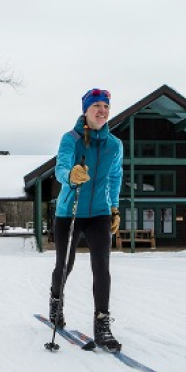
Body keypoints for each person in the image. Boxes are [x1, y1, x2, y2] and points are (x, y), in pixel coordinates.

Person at [49, 88, 123, 352]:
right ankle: (56, 304)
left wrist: (114, 208)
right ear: (86, 110)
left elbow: (115, 178)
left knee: (101, 267)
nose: (102, 111)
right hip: (70, 211)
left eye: (106, 106)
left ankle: (102, 324)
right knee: (64, 265)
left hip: (100, 213)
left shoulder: (115, 145)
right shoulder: (70, 139)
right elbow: (61, 166)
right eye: (97, 106)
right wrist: (71, 174)